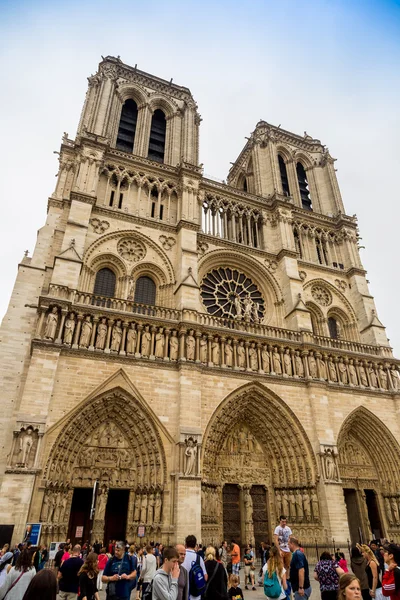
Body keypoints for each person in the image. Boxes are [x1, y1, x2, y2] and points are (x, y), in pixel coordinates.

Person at [182, 535, 207, 600]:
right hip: (195, 594)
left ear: (185, 544)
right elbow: (205, 577)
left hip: (182, 593)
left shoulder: (181, 557)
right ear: (195, 545)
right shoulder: (199, 558)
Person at [288, 536, 311, 600]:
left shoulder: (297, 554)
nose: (288, 546)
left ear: (292, 544)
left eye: (288, 544)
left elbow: (301, 570)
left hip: (302, 588)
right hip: (300, 587)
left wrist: (301, 587)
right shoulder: (297, 554)